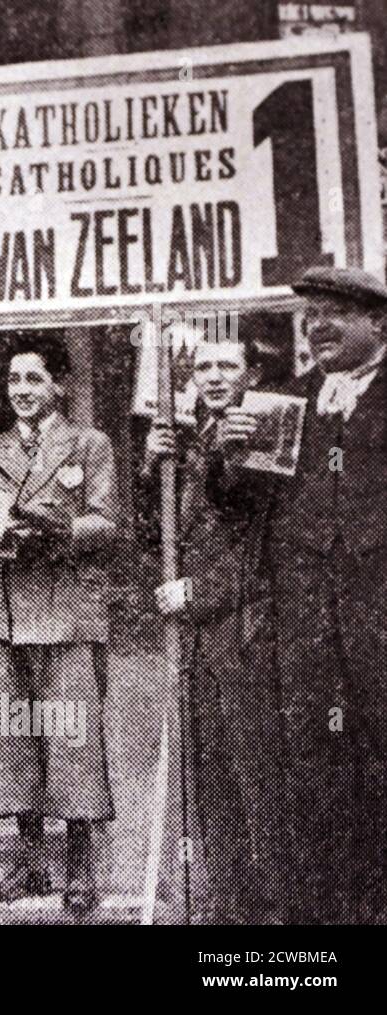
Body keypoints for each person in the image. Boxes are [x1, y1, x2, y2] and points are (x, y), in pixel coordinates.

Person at [220, 265, 387, 924]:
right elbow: (241, 507)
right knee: (317, 777)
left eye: (333, 313)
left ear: (377, 322)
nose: (317, 326)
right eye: (309, 315)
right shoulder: (280, 403)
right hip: (308, 629)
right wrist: (227, 459)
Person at [0, 333, 117, 916]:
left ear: (59, 385)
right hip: (6, 611)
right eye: (15, 380)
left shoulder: (89, 444)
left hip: (66, 611)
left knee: (71, 740)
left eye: (34, 379)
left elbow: (107, 521)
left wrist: (58, 531)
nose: (22, 391)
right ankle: (25, 865)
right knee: (12, 740)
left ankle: (79, 870)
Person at [134, 334, 282, 923]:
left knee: (257, 783)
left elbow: (267, 549)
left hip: (244, 630)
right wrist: (152, 470)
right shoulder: (184, 441)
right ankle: (224, 917)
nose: (215, 376)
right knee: (209, 786)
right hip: (193, 640)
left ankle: (273, 923)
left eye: (229, 365)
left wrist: (196, 592)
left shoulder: (268, 435)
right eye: (204, 367)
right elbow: (153, 537)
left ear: (249, 374)